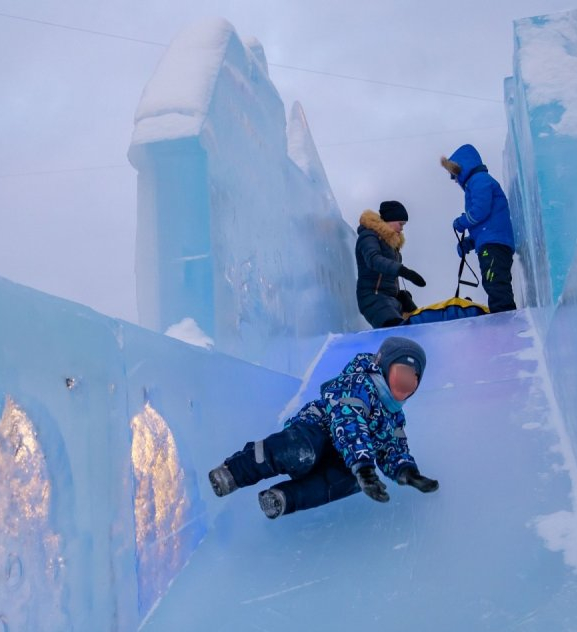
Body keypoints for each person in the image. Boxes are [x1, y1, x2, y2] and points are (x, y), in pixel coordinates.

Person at [208, 336, 439, 519]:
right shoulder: (359, 383)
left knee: (351, 481)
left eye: (413, 379)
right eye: (402, 374)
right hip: (316, 430)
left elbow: (393, 448)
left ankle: (282, 498)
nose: (406, 383)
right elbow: (350, 422)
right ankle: (235, 470)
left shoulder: (394, 417)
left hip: (343, 456)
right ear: (384, 366)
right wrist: (365, 466)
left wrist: (406, 472)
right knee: (303, 450)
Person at [440, 144, 517, 313]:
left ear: (461, 168)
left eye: (453, 175)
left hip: (494, 244)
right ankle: (503, 317)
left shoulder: (480, 180)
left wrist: (462, 222)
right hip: (492, 241)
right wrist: (469, 243)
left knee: (495, 283)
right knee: (493, 282)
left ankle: (504, 320)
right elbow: (485, 225)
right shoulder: (476, 183)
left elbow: (481, 211)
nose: (454, 180)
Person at [354, 200, 426, 328]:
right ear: (390, 220)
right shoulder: (369, 236)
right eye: (401, 223)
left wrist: (400, 296)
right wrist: (404, 271)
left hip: (390, 299)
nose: (402, 228)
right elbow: (373, 260)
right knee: (395, 329)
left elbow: (387, 278)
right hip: (373, 298)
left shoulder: (392, 245)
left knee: (416, 325)